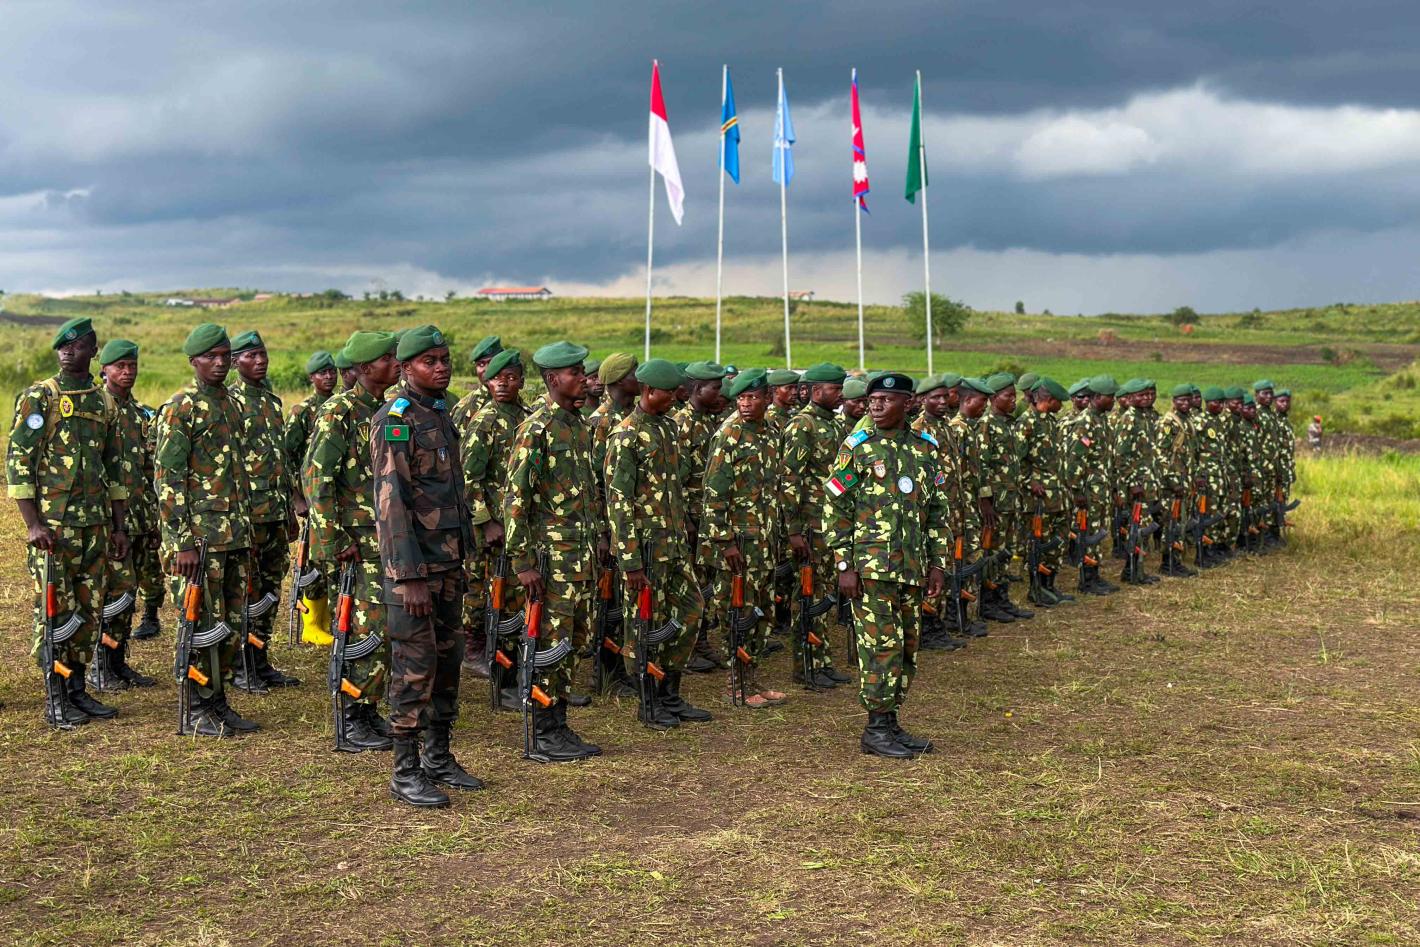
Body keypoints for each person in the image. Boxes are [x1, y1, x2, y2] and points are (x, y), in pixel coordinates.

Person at [371, 326, 482, 807]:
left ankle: (438, 756)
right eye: (428, 361)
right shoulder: (394, 420)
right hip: (415, 573)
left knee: (447, 662)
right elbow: (391, 503)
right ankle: (405, 771)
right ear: (405, 367)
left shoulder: (439, 413)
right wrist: (409, 576)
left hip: (449, 564)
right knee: (414, 668)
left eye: (444, 358)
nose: (440, 367)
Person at [7, 317, 130, 728]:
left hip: (95, 526)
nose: (67, 351)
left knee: (88, 611)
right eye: (63, 345)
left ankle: (77, 689)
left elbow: (114, 467)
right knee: (55, 612)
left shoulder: (103, 402)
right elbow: (19, 462)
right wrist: (32, 524)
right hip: (54, 529)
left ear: (93, 351)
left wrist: (119, 527)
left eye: (77, 345)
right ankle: (56, 696)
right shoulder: (41, 397)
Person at [824, 371, 948, 759]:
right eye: (872, 400)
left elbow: (937, 510)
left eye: (886, 400)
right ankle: (875, 729)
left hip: (911, 567)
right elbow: (836, 506)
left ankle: (891, 721)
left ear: (908, 404)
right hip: (871, 569)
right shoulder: (858, 447)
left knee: (907, 646)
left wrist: (938, 563)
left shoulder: (925, 448)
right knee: (880, 647)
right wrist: (844, 565)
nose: (876, 405)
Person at [503, 341, 604, 762]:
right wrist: (522, 562)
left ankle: (559, 723)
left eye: (582, 371)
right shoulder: (537, 428)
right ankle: (543, 730)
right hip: (551, 560)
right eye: (574, 372)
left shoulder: (578, 425)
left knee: (574, 642)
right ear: (551, 379)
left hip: (581, 557)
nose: (582, 378)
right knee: (550, 644)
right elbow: (516, 498)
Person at [154, 323, 256, 737]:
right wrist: (181, 542)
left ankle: (218, 699)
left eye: (225, 356)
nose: (219, 363)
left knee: (229, 622)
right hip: (199, 539)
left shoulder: (231, 403)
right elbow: (168, 478)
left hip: (234, 534)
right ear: (193, 361)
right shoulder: (181, 407)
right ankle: (197, 707)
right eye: (210, 357)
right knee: (199, 623)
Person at [303, 331, 402, 754]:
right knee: (363, 628)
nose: (396, 364)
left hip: (387, 540)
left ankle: (368, 706)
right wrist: (333, 539)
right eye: (387, 358)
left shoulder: (390, 409)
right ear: (364, 368)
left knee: (384, 628)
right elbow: (317, 479)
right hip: (355, 544)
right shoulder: (338, 413)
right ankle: (351, 712)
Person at [605, 358, 712, 728]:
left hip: (674, 545)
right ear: (649, 391)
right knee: (643, 626)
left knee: (690, 612)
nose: (676, 398)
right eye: (669, 393)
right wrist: (630, 562)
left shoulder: (668, 427)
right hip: (645, 551)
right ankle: (648, 701)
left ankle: (670, 692)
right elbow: (618, 502)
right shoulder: (626, 436)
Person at [702, 369, 790, 705]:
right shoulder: (730, 435)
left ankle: (752, 678)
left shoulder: (771, 432)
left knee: (760, 613)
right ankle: (735, 685)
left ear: (767, 398)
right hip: (737, 544)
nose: (746, 404)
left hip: (763, 542)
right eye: (741, 398)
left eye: (752, 397)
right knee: (736, 614)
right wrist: (724, 543)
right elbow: (714, 495)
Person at [228, 331, 300, 692]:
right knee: (247, 591)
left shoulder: (272, 401)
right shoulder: (231, 402)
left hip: (275, 511)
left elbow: (280, 460)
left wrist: (290, 508)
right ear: (234, 362)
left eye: (263, 354)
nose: (260, 361)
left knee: (270, 591)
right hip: (249, 514)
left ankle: (260, 658)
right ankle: (241, 665)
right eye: (251, 356)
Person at [461, 348, 532, 704]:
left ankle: (521, 671)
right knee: (494, 599)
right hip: (492, 531)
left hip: (520, 527)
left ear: (522, 381)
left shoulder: (527, 417)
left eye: (510, 378)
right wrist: (486, 522)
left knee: (519, 601)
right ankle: (500, 678)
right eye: (495, 378)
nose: (502, 384)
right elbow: (468, 478)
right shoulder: (485, 421)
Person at [89, 339, 159, 692]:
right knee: (110, 596)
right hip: (109, 520)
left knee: (128, 595)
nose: (127, 372)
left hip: (140, 518)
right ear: (104, 370)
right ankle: (100, 667)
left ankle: (118, 662)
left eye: (132, 366)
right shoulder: (96, 409)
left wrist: (154, 519)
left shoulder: (140, 413)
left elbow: (149, 470)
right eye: (120, 366)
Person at [780, 363, 854, 681]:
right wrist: (794, 531)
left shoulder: (834, 425)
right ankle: (806, 665)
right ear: (814, 391)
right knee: (808, 595)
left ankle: (822, 660)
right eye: (835, 389)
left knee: (822, 593)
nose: (841, 395)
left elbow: (840, 474)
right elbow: (789, 480)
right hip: (810, 525)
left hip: (831, 523)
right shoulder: (803, 425)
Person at [673, 360, 731, 675]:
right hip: (692, 518)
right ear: (697, 389)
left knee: (706, 583)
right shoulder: (682, 424)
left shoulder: (710, 421)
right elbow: (675, 480)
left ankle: (701, 639)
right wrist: (686, 520)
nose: (721, 394)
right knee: (691, 587)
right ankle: (688, 646)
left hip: (709, 517)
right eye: (715, 388)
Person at [975, 373, 1034, 621]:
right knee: (992, 552)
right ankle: (988, 602)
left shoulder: (1008, 424)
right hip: (995, 503)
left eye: (1014, 395)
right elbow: (981, 465)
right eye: (1008, 396)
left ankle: (1002, 598)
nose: (1013, 400)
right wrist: (985, 501)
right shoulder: (986, 424)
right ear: (993, 398)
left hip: (1010, 500)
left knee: (1005, 551)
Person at [1020, 377, 1076, 605]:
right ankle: (1036, 589)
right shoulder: (1026, 422)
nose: (1061, 407)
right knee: (1039, 543)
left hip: (1058, 494)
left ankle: (1049, 585)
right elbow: (1016, 459)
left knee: (1057, 542)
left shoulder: (1051, 422)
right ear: (1049, 400)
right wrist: (1029, 481)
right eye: (1059, 402)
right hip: (1039, 497)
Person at [1063, 376, 1119, 595]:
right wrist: (1077, 491)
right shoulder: (1085, 422)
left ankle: (1094, 574)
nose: (1113, 401)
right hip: (1087, 490)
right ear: (1096, 397)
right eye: (1110, 397)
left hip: (1099, 488)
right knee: (1087, 534)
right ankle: (1086, 580)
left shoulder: (1101, 420)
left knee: (1097, 533)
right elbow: (1074, 460)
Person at [451, 335, 504, 429]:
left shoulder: (516, 401)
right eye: (481, 364)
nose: (487, 369)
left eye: (492, 362)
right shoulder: (465, 408)